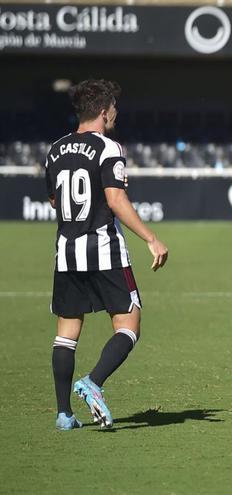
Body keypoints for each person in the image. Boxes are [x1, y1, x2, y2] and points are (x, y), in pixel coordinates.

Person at [45, 79, 169, 430]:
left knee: (66, 333)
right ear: (103, 111)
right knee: (129, 324)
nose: (117, 113)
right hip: (104, 250)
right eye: (114, 107)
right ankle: (94, 382)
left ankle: (63, 414)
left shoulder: (55, 149)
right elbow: (115, 199)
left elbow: (55, 200)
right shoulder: (108, 148)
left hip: (66, 252)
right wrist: (151, 238)